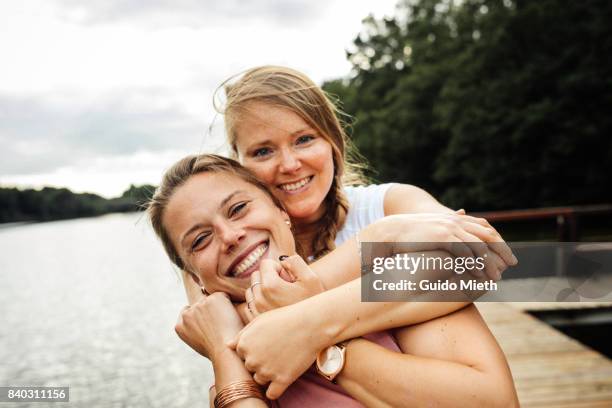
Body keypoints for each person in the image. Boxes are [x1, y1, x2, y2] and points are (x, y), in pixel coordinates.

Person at [179, 65, 517, 399]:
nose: (290, 164)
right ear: (240, 165)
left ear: (333, 142)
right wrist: (381, 246)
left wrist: (308, 322)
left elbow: (478, 260)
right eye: (263, 151)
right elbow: (223, 331)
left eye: (304, 139)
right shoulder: (231, 255)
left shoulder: (387, 206)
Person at [149, 154, 518, 407]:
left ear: (282, 212)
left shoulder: (390, 275)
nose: (229, 236)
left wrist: (313, 337)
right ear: (193, 277)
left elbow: (495, 401)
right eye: (200, 240)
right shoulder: (230, 352)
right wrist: (223, 353)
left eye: (239, 208)